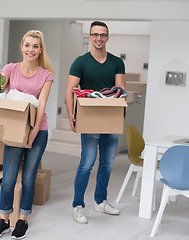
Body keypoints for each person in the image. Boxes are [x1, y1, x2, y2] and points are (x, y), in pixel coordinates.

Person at [0, 30, 54, 239]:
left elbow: (41, 105)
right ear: (21, 47)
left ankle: (22, 220)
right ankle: (3, 219)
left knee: (28, 178)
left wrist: (34, 133)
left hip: (38, 131)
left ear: (40, 50)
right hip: (14, 132)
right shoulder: (10, 69)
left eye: (35, 46)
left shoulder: (46, 75)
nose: (30, 50)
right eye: (27, 45)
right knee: (8, 178)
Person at [65, 21, 126, 224]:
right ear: (90, 37)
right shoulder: (80, 62)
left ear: (108, 37)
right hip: (89, 117)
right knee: (87, 163)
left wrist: (121, 113)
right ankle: (78, 205)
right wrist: (71, 114)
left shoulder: (117, 62)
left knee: (107, 163)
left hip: (110, 117)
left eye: (102, 35)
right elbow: (70, 91)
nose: (99, 38)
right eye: (95, 35)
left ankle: (100, 201)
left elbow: (120, 91)